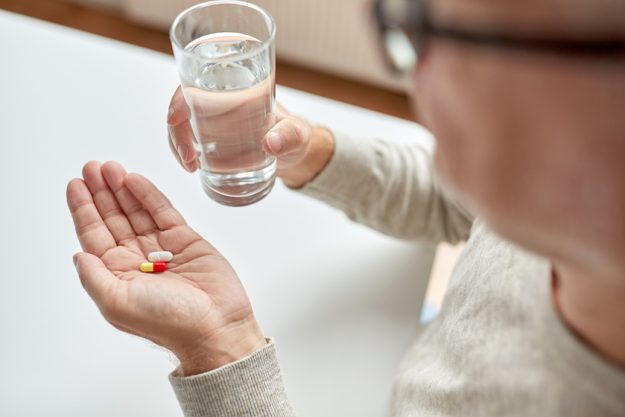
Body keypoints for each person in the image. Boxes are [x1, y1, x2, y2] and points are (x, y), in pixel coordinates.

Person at [66, 0, 625, 415]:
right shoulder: (548, 194)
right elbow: (461, 205)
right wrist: (308, 150)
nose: (416, 78)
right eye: (406, 23)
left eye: (467, 39)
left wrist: (217, 350)